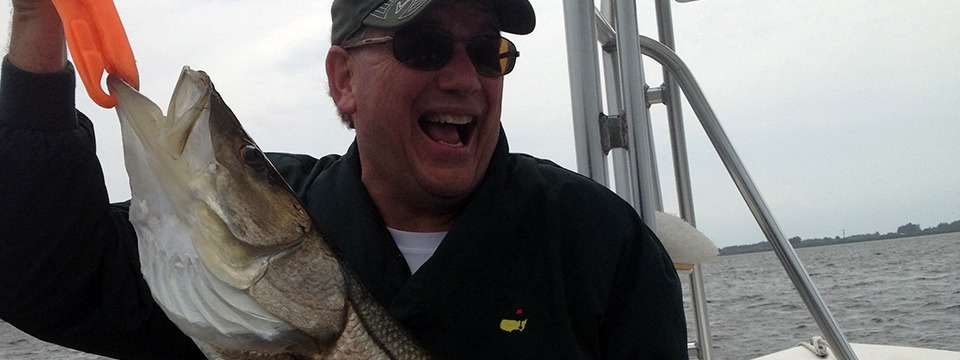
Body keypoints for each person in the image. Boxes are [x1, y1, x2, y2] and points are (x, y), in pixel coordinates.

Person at [0, 0, 687, 358]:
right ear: (342, 80)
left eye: (486, 51)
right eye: (422, 46)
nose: (462, 77)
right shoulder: (251, 241)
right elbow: (41, 273)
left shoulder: (600, 244)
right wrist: (38, 21)